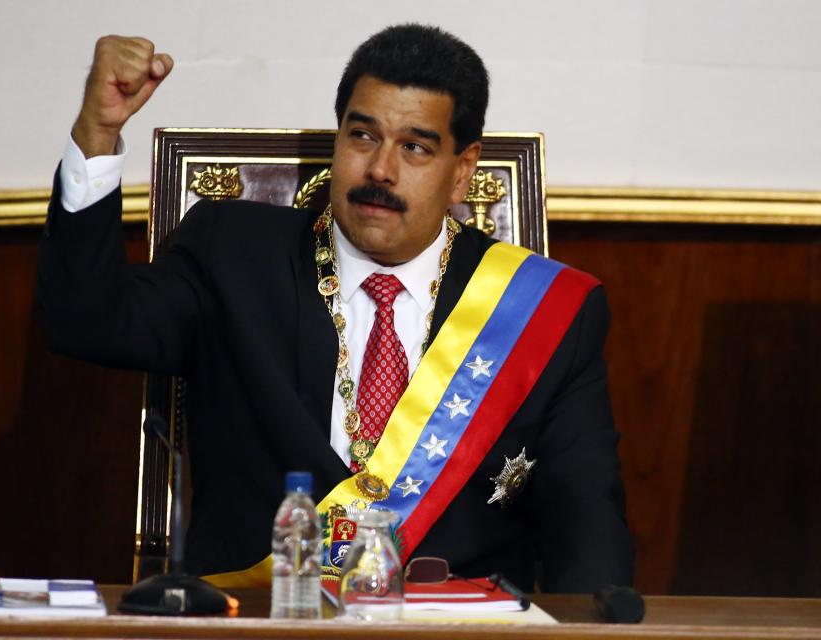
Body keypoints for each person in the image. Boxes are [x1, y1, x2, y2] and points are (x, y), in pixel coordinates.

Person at [38, 24, 634, 593]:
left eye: (415, 148)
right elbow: (85, 320)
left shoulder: (540, 310)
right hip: (257, 618)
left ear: (462, 172)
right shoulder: (232, 253)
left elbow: (586, 523)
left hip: (454, 624)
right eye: (363, 135)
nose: (380, 169)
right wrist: (98, 134)